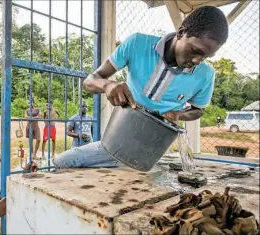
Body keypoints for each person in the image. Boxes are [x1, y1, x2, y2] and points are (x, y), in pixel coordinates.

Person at [54, 6, 229, 169]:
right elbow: (90, 81)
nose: (198, 61)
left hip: (154, 152)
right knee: (62, 162)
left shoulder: (206, 75)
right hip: (116, 142)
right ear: (181, 32)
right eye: (195, 50)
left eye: (206, 56)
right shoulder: (138, 44)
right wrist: (108, 85)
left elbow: (198, 110)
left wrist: (178, 114)